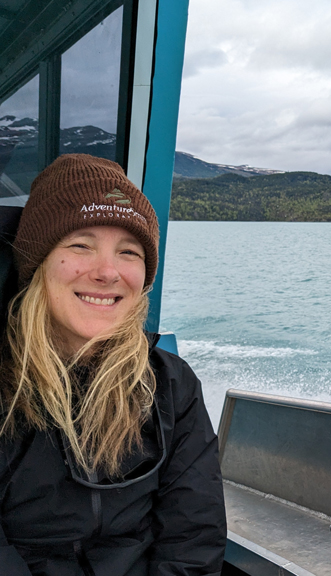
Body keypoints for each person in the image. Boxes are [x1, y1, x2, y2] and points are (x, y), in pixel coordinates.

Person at [0, 154, 227, 575]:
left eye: (129, 252)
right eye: (81, 245)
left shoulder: (170, 385)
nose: (108, 272)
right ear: (37, 264)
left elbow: (192, 538)